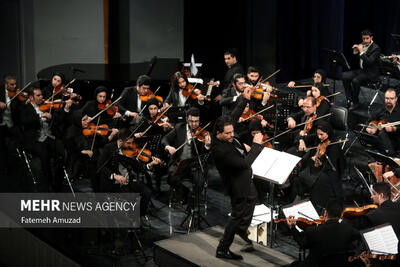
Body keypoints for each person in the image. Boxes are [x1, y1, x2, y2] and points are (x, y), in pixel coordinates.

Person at [212, 87, 263, 260]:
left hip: (244, 180)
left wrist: (244, 98)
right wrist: (256, 146)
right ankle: (223, 248)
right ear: (218, 134)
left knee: (253, 197)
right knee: (236, 215)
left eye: (232, 131)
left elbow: (233, 116)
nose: (232, 135)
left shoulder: (225, 131)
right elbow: (244, 164)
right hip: (236, 184)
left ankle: (241, 228)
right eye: (228, 133)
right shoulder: (220, 151)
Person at [97, 128, 162, 219]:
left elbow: (139, 168)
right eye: (128, 143)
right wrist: (114, 176)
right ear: (120, 141)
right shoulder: (109, 148)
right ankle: (128, 221)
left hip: (128, 180)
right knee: (131, 197)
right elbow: (101, 166)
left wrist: (151, 164)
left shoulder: (130, 151)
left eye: (132, 142)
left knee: (147, 192)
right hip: (113, 183)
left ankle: (138, 217)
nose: (131, 145)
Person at [19, 87, 73, 191]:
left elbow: (58, 119)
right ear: (31, 97)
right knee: (45, 155)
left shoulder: (46, 106)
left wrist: (65, 108)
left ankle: (57, 182)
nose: (41, 97)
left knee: (63, 152)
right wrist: (40, 116)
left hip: (49, 136)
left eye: (41, 95)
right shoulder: (25, 108)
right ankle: (47, 184)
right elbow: (24, 120)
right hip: (35, 139)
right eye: (38, 95)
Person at [161, 107, 211, 206]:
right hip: (179, 162)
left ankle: (193, 203)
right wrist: (168, 147)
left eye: (196, 121)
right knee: (171, 179)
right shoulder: (179, 128)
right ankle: (185, 193)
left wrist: (207, 146)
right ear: (187, 119)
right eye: (191, 121)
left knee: (200, 181)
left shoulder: (202, 133)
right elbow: (165, 139)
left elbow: (204, 154)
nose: (194, 124)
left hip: (194, 165)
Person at [286, 200, 360, 267]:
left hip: (316, 264)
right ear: (341, 215)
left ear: (325, 213)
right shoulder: (349, 230)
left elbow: (303, 244)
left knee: (294, 264)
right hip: (339, 264)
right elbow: (359, 236)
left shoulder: (313, 231)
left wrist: (292, 228)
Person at [289, 121, 343, 208]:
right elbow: (302, 137)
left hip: (326, 171)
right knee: (298, 175)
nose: (319, 137)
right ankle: (299, 197)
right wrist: (301, 141)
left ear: (328, 133)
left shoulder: (334, 146)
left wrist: (319, 160)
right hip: (314, 167)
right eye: (318, 134)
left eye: (322, 134)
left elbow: (330, 164)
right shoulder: (317, 138)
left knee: (312, 179)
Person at [342, 29, 381, 108]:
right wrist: (355, 51)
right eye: (363, 38)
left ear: (371, 38)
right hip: (362, 70)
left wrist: (361, 52)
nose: (365, 40)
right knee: (344, 75)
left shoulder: (376, 48)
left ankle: (355, 102)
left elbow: (369, 62)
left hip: (371, 73)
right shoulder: (362, 44)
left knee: (355, 81)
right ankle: (349, 99)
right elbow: (358, 57)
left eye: (367, 38)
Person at [365, 88, 400, 156]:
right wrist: (369, 128)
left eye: (391, 98)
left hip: (396, 140)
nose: (388, 101)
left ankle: (390, 157)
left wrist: (394, 129)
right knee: (381, 134)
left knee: (382, 133)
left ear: (396, 99)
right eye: (387, 98)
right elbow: (368, 122)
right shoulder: (381, 110)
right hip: (382, 141)